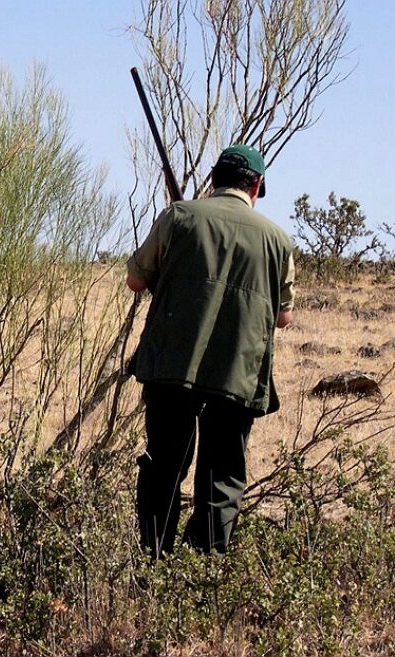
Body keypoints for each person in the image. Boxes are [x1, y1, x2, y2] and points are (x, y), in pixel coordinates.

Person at [126, 144, 295, 558]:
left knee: (164, 466)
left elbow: (134, 280)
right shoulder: (278, 241)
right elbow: (283, 318)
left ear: (214, 179)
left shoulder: (179, 217)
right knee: (222, 477)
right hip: (237, 375)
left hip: (172, 368)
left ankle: (154, 564)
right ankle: (203, 573)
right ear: (256, 186)